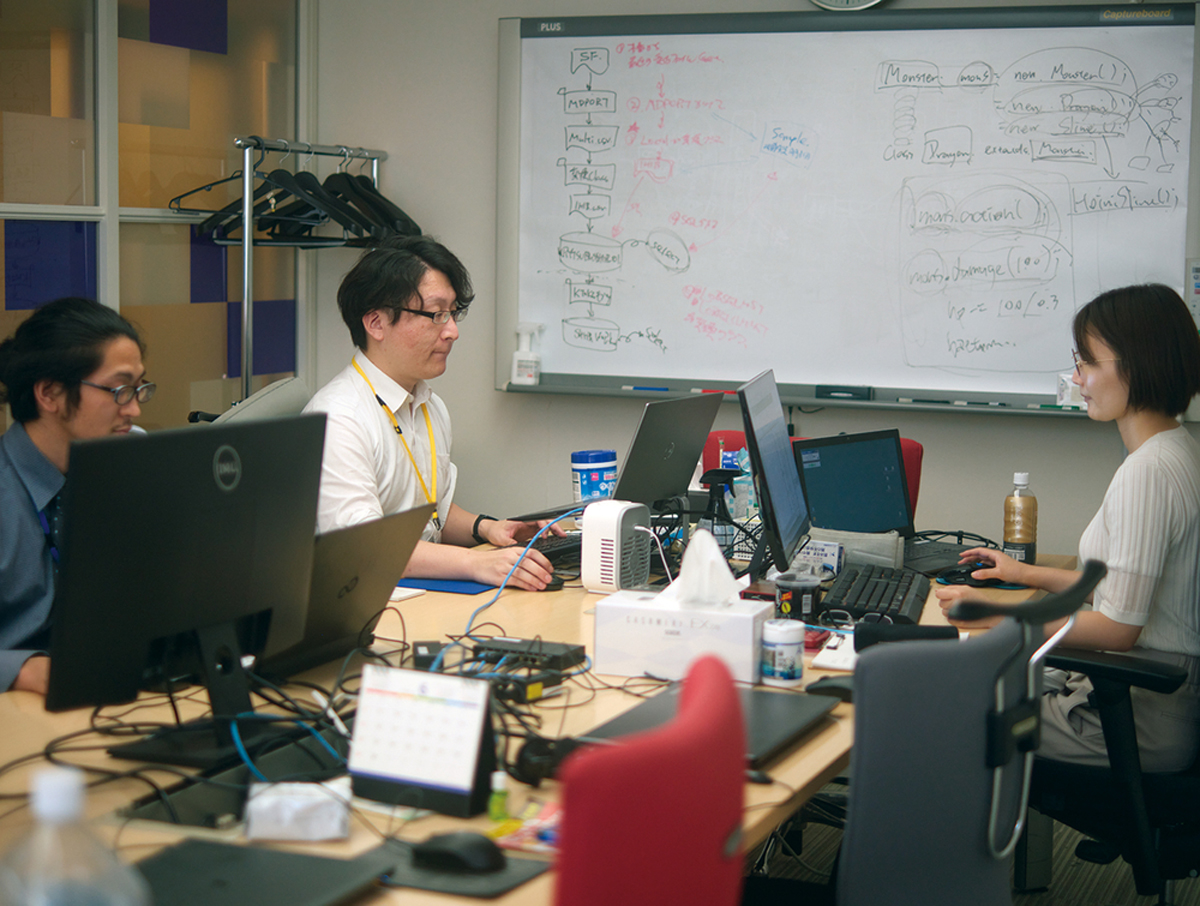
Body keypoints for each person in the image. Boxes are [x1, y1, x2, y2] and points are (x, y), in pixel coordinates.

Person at [937, 283, 1200, 771]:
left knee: (946, 712)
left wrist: (994, 616)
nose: (1077, 378)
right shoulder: (1175, 447)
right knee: (978, 682)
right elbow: (1127, 589)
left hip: (1137, 716)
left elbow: (1118, 629)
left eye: (1088, 363)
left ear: (1137, 365)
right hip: (1138, 688)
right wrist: (1024, 573)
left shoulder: (1148, 472)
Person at [303, 235, 557, 591]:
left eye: (453, 313)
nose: (452, 331)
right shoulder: (337, 419)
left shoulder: (428, 404)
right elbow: (365, 549)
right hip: (364, 603)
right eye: (436, 314)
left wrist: (488, 528)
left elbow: (433, 513)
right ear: (376, 323)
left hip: (420, 591)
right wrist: (476, 562)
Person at [0, 298, 153, 695]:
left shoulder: (131, 465)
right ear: (49, 393)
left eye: (139, 388)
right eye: (120, 390)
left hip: (114, 685)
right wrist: (22, 670)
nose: (134, 410)